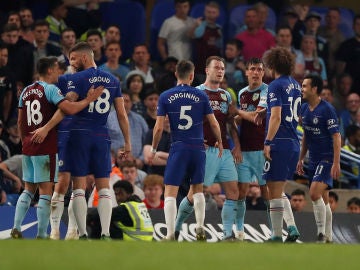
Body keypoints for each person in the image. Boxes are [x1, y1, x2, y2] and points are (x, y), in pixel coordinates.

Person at [32, 43, 131, 240]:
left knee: (78, 186)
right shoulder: (113, 80)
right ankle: (104, 233)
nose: (72, 63)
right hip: (102, 136)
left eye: (74, 58)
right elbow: (121, 114)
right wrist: (128, 142)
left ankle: (81, 233)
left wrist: (46, 127)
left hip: (78, 134)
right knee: (104, 186)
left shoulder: (75, 78)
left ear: (85, 57)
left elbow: (66, 105)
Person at [10, 56, 102, 239]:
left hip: (28, 146)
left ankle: (17, 227)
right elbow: (69, 109)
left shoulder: (26, 90)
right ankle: (42, 234)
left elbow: (20, 120)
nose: (60, 73)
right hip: (46, 146)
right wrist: (88, 99)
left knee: (28, 189)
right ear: (50, 70)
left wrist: (24, 141)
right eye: (57, 69)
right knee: (45, 191)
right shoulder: (50, 89)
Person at [150, 60, 223, 241]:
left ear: (176, 74)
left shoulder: (166, 96)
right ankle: (199, 226)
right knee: (197, 189)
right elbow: (213, 122)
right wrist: (220, 141)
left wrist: (153, 148)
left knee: (170, 191)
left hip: (179, 147)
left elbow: (159, 127)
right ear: (192, 76)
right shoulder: (201, 96)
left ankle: (170, 234)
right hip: (198, 148)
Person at [174, 56, 240, 241]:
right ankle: (177, 227)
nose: (220, 71)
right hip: (204, 150)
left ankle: (228, 233)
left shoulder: (226, 95)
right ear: (207, 70)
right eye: (216, 68)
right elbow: (183, 121)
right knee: (195, 193)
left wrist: (238, 147)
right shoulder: (195, 92)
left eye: (222, 68)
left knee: (233, 191)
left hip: (224, 149)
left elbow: (230, 123)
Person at [261, 47, 302, 242]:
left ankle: (277, 234)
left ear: (271, 65)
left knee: (273, 190)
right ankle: (291, 227)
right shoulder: (296, 84)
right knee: (276, 187)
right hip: (293, 142)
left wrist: (268, 141)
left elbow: (276, 116)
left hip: (279, 141)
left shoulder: (274, 86)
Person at [297, 74, 341, 243]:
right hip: (313, 160)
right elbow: (306, 135)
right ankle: (329, 237)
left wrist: (336, 162)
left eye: (305, 86)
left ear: (315, 89)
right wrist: (301, 158)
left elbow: (336, 136)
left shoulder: (327, 109)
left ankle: (321, 234)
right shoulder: (304, 109)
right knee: (323, 199)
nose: (302, 89)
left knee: (314, 193)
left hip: (327, 158)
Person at [88, 180, 154, 240]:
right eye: (116, 194)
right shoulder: (139, 204)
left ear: (129, 193)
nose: (118, 197)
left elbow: (101, 214)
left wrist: (88, 218)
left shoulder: (125, 208)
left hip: (135, 239)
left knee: (103, 222)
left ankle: (93, 244)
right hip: (147, 239)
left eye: (120, 194)